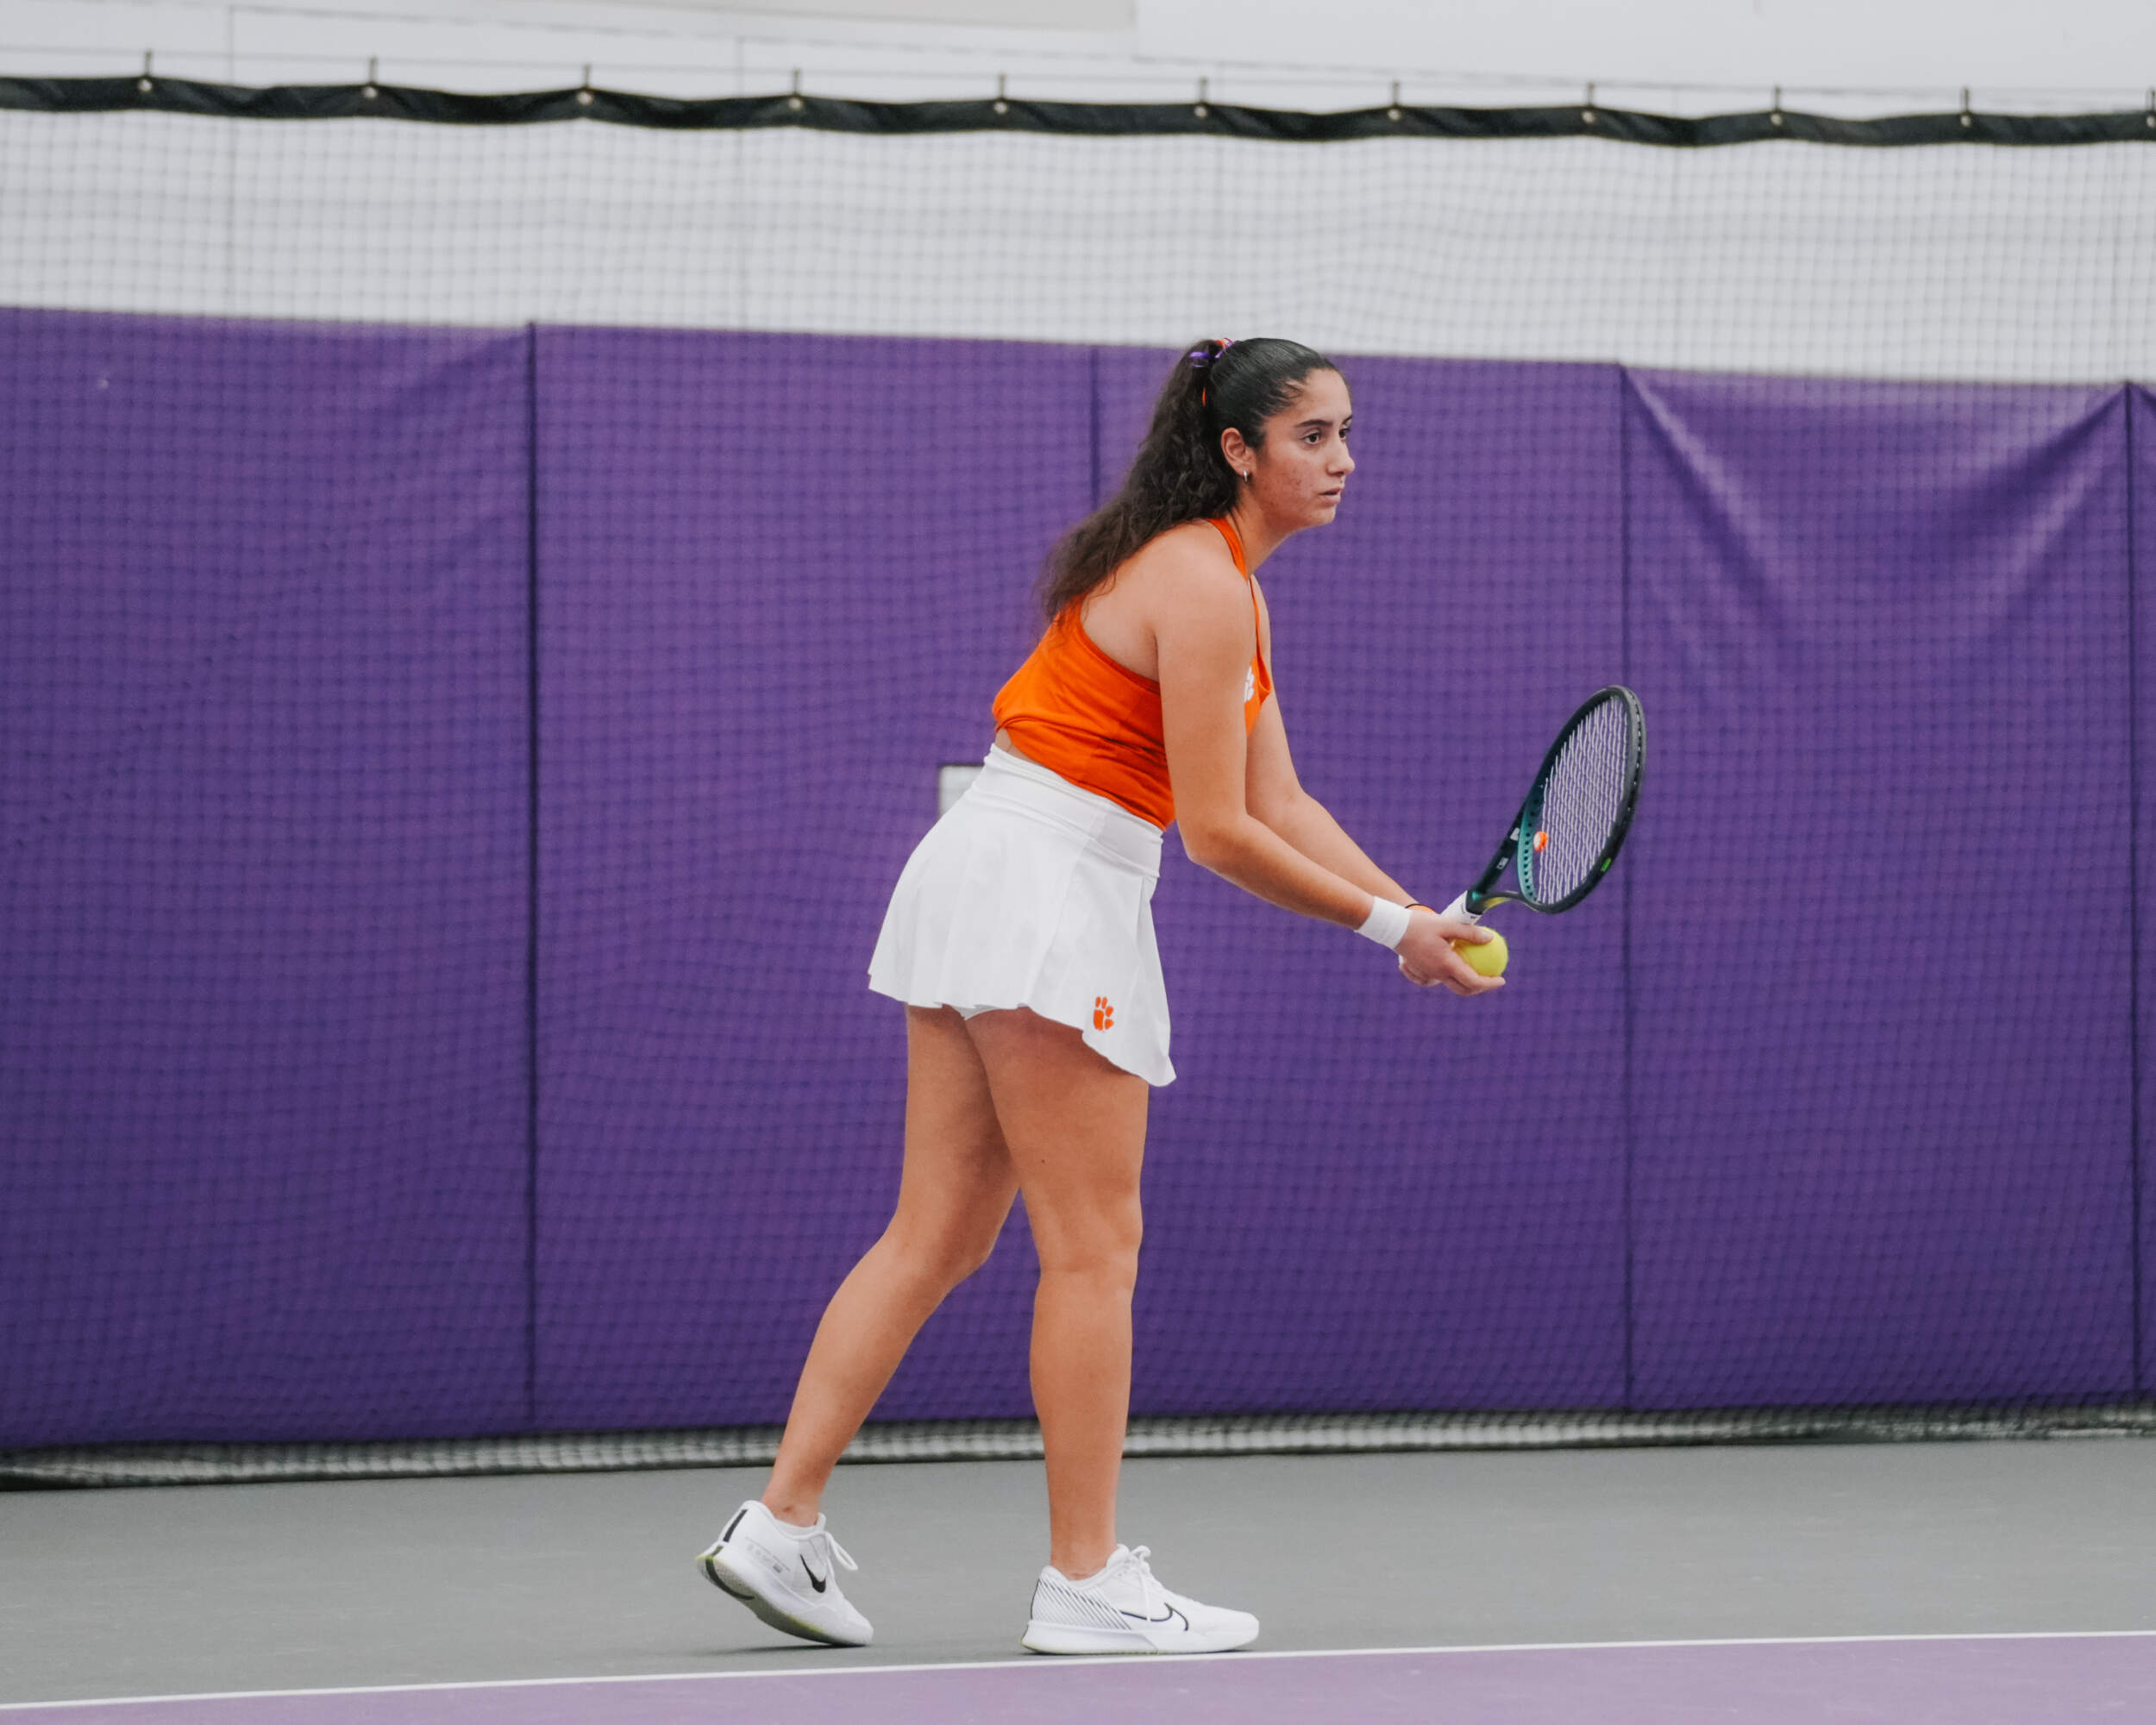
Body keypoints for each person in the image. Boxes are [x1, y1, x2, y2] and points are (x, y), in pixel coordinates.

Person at [696, 336, 1502, 1656]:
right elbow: (1222, 834)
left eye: (1348, 433)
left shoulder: (1204, 575)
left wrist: (1416, 914)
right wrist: (1382, 930)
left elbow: (1283, 797)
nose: (1344, 460)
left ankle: (780, 1525)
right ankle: (1084, 1580)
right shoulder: (1206, 584)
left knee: (938, 1234)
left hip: (978, 866)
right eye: (1312, 436)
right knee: (1094, 1247)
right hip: (1052, 887)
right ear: (1237, 450)